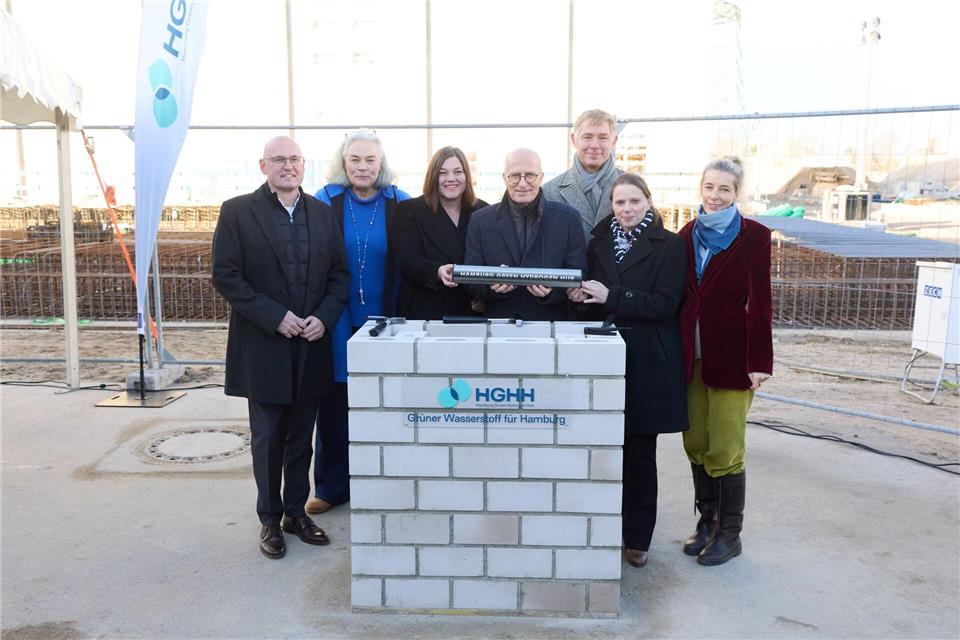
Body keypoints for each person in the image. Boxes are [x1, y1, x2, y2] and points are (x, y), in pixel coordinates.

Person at [212, 135, 350, 559]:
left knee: (300, 441)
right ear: (263, 166)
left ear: (303, 166)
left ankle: (296, 513)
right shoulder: (237, 212)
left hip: (310, 344)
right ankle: (269, 521)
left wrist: (322, 319)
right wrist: (276, 317)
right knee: (268, 439)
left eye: (294, 159)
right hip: (264, 346)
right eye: (278, 160)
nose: (287, 166)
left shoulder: (324, 215)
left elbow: (339, 276)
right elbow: (227, 276)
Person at [568, 173, 687, 568]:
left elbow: (665, 304)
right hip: (605, 356)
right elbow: (594, 300)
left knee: (639, 453)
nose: (627, 209)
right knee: (603, 447)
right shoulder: (599, 243)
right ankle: (603, 528)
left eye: (635, 201)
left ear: (649, 202)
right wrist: (580, 298)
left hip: (647, 360)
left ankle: (638, 538)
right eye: (620, 203)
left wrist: (611, 295)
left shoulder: (670, 246)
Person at [307, 130, 411, 515]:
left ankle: (384, 484)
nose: (363, 167)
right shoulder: (325, 201)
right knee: (335, 403)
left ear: (380, 164)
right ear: (343, 163)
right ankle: (331, 486)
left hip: (389, 317)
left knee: (386, 404)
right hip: (336, 316)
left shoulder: (400, 202)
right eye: (355, 160)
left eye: (370, 160)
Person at [677, 156, 773, 566]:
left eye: (724, 190)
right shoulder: (685, 235)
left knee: (726, 446)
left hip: (734, 359)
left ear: (737, 194)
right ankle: (708, 522)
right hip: (691, 358)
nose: (714, 197)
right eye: (709, 188)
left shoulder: (754, 236)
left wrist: (760, 361)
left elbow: (761, 302)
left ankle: (730, 534)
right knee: (696, 442)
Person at [464, 148, 586, 321]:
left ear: (541, 177)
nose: (522, 183)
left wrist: (552, 292)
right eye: (515, 176)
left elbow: (579, 273)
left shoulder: (568, 218)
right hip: (498, 324)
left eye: (530, 175)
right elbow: (469, 279)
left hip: (550, 324)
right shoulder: (481, 220)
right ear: (504, 178)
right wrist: (491, 286)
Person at [393, 147, 488, 319]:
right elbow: (407, 260)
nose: (451, 179)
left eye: (458, 172)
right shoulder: (409, 211)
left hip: (471, 310)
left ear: (466, 176)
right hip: (425, 309)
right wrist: (437, 271)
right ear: (432, 177)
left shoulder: (483, 211)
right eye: (443, 173)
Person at [543, 109, 623, 239]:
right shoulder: (549, 192)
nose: (594, 145)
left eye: (603, 137)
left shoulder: (634, 188)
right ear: (574, 139)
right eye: (587, 137)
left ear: (614, 141)